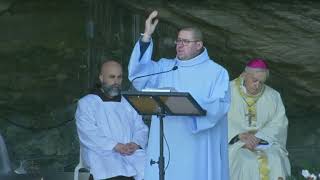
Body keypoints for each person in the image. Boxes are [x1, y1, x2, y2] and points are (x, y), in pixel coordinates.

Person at [128, 10, 230, 180]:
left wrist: (189, 108)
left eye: (186, 41)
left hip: (197, 143)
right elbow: (138, 76)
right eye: (178, 41)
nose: (179, 45)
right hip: (167, 139)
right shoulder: (165, 67)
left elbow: (219, 106)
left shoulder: (217, 72)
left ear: (199, 45)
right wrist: (146, 35)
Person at [75, 60, 149, 180]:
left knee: (154, 171)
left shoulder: (128, 103)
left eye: (119, 77)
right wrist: (115, 146)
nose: (116, 82)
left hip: (131, 154)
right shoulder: (87, 103)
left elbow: (141, 128)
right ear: (101, 77)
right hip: (103, 154)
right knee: (116, 172)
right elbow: (88, 134)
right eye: (112, 77)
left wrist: (135, 143)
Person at [228, 59, 291, 180]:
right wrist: (238, 136)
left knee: (276, 159)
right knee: (244, 161)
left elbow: (279, 123)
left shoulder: (273, 96)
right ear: (245, 75)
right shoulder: (227, 91)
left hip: (264, 142)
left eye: (262, 82)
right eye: (254, 80)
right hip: (236, 142)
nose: (257, 85)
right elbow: (219, 119)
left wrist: (260, 137)